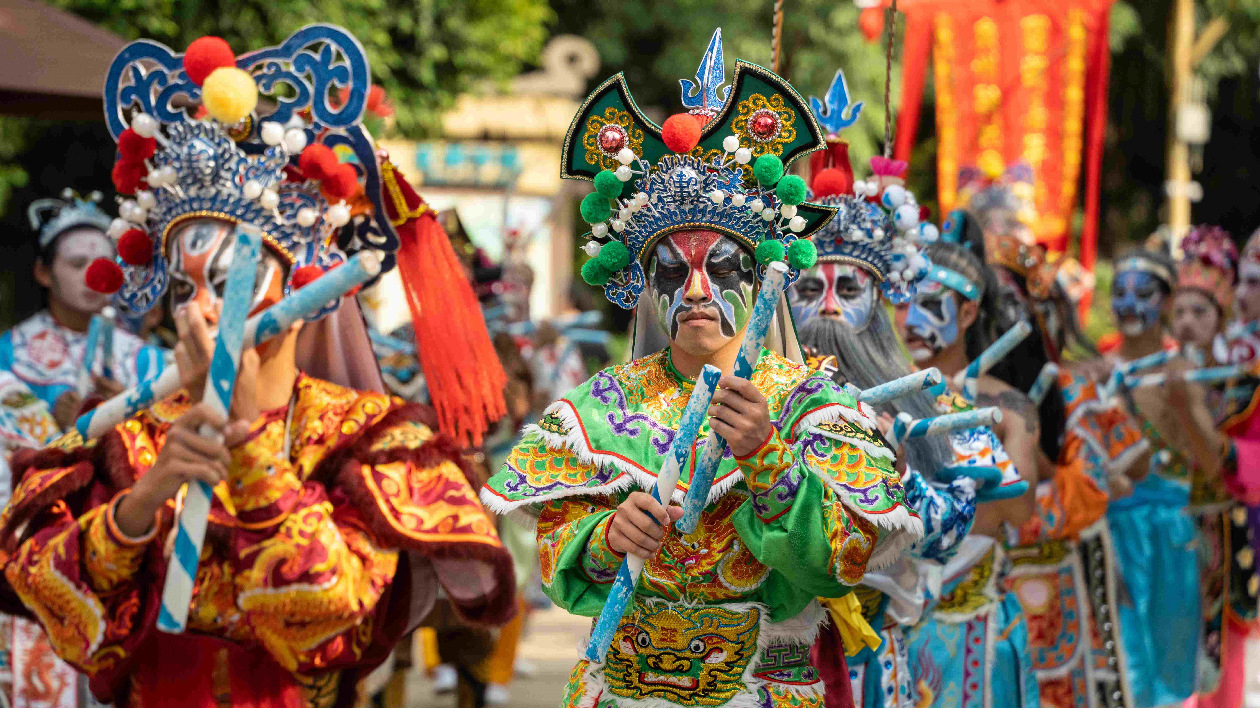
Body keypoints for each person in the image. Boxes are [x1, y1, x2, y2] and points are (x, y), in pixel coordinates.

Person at [0, 27, 515, 708]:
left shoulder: (369, 439)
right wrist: (142, 501)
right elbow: (50, 599)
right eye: (184, 292)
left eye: (230, 283)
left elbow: (332, 616)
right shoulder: (135, 433)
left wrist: (250, 444)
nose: (204, 314)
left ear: (304, 293)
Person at [480, 30, 922, 708]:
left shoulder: (815, 404)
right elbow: (557, 556)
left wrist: (767, 457)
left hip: (765, 686)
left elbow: (840, 565)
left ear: (759, 272)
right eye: (670, 270)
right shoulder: (598, 408)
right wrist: (605, 539)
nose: (692, 292)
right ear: (643, 285)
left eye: (719, 268)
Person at [789, 105, 1005, 707]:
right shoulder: (745, 397)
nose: (830, 308)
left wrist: (903, 471)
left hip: (875, 660)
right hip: (764, 659)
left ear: (879, 302)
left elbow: (951, 535)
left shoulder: (932, 403)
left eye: (849, 289)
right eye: (809, 289)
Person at [979, 225, 1149, 708]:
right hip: (973, 600)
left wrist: (1046, 466)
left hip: (1056, 589)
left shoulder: (1074, 393)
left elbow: (1117, 479)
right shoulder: (950, 395)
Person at [890, 237, 1042, 707]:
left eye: (930, 304)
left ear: (969, 314)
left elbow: (1017, 512)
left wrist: (961, 424)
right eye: (903, 303)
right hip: (886, 623)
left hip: (971, 624)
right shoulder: (879, 392)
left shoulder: (1007, 407)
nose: (912, 320)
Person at [1103, 248, 1214, 707]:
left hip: (1171, 532)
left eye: (1144, 294)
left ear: (1166, 302)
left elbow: (1211, 467)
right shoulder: (1094, 371)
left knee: (1171, 666)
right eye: (1120, 294)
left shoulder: (1185, 372)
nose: (1130, 305)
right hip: (1110, 533)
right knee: (1120, 661)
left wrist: (1187, 406)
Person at [1167, 227, 1257, 708]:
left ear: (1221, 318)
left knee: (1220, 649)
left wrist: (1193, 412)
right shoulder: (1161, 372)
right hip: (1167, 525)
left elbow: (1225, 465)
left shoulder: (1241, 380)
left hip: (1222, 524)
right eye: (1178, 311)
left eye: (1199, 312)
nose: (1186, 322)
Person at [4, 192, 166, 430]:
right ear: (43, 273)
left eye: (104, 264)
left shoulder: (145, 359)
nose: (93, 275)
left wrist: (130, 414)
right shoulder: (9, 354)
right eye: (77, 264)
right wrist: (50, 425)